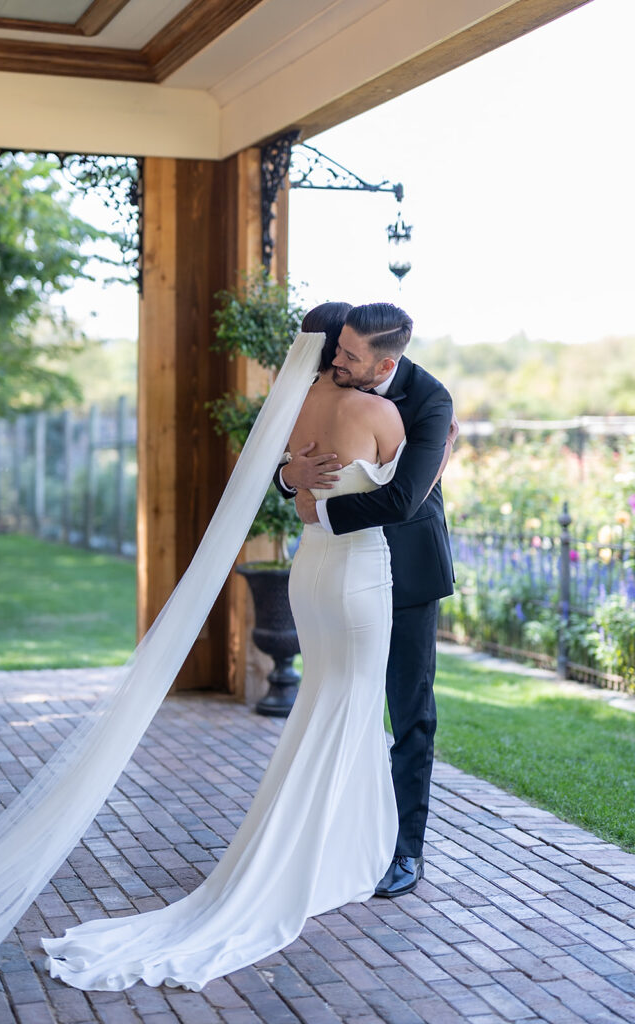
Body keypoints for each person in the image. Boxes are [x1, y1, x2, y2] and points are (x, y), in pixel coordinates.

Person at [36, 303, 421, 992]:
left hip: (311, 572)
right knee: (351, 710)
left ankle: (329, 848)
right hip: (360, 579)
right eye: (346, 349)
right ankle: (317, 857)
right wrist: (441, 443)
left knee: (325, 709)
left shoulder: (301, 401)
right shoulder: (385, 417)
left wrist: (296, 483)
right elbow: (409, 497)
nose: (346, 359)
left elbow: (293, 490)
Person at [281, 302, 457, 898]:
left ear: (385, 362)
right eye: (339, 348)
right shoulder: (335, 376)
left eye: (350, 355)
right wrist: (292, 477)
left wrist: (319, 510)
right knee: (335, 699)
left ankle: (406, 851)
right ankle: (330, 837)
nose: (337, 359)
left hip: (403, 574)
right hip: (342, 576)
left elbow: (404, 500)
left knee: (409, 714)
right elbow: (290, 453)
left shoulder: (431, 403)